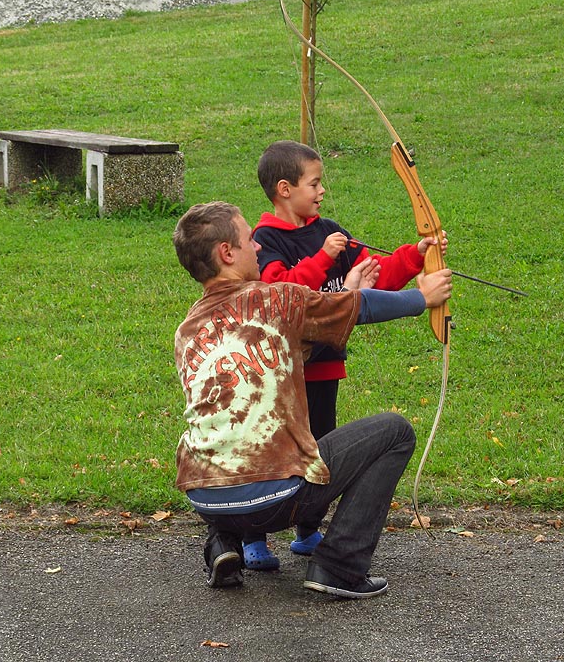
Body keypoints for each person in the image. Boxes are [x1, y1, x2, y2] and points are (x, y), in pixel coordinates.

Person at [171, 201, 451, 598]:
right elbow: (364, 307)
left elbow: (296, 354)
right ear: (227, 253)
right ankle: (339, 566)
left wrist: (347, 295)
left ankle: (222, 543)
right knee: (394, 432)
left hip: (205, 500)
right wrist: (421, 297)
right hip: (272, 500)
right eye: (250, 240)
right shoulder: (277, 300)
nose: (259, 248)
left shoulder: (187, 330)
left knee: (234, 436)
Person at [243, 139, 448, 570]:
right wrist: (323, 257)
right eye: (313, 183)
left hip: (324, 368)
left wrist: (417, 254)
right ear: (284, 189)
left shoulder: (328, 229)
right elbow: (285, 294)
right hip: (284, 373)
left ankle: (306, 530)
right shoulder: (264, 241)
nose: (321, 192)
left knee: (320, 448)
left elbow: (375, 277)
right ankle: (252, 537)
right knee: (275, 448)